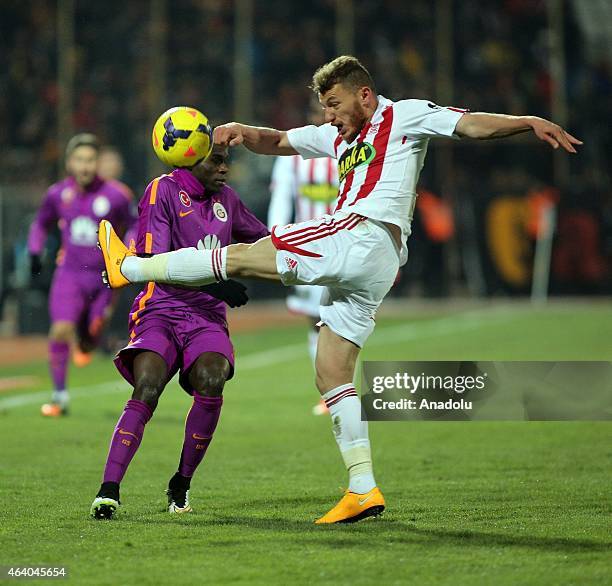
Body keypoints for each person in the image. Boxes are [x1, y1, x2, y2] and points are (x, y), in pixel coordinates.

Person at [98, 56, 582, 523]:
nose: (328, 115)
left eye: (333, 103)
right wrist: (243, 132)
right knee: (331, 372)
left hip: (362, 231)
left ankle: (133, 269)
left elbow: (472, 125)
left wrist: (527, 120)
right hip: (374, 264)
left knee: (251, 253)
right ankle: (361, 487)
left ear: (364, 95)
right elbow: (280, 140)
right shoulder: (338, 137)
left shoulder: (405, 114)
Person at [91, 144, 269, 519]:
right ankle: (109, 489)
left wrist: (311, 250)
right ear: (191, 157)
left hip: (206, 317)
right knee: (148, 384)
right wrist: (217, 283)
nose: (224, 168)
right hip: (161, 308)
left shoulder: (228, 200)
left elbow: (264, 241)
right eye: (216, 160)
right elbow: (154, 261)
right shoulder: (163, 190)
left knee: (212, 377)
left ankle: (181, 483)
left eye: (226, 161)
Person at [27, 133, 134, 417]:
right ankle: (59, 396)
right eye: (79, 160)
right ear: (69, 162)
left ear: (98, 163)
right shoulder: (57, 194)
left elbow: (136, 224)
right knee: (61, 329)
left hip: (103, 280)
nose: (85, 166)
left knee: (90, 338)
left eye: (90, 160)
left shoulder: (116, 195)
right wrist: (35, 251)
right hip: (70, 275)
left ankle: (88, 340)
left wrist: (130, 250)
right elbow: (40, 224)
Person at [267, 97, 339, 416]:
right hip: (308, 249)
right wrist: (275, 238)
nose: (324, 117)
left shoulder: (348, 149)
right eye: (318, 112)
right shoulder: (292, 156)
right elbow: (282, 200)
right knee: (316, 321)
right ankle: (329, 392)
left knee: (340, 321)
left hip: (342, 246)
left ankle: (339, 386)